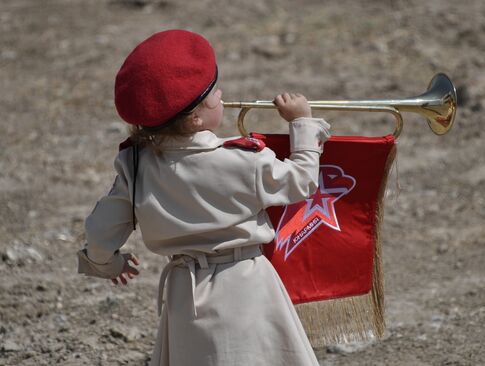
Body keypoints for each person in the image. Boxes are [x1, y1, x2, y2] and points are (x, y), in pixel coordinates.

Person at [76, 29, 330, 366]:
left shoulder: (135, 165)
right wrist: (302, 124)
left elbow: (100, 232)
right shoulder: (243, 158)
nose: (222, 94)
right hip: (248, 286)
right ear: (196, 117)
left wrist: (107, 264)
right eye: (214, 95)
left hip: (185, 297)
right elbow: (300, 182)